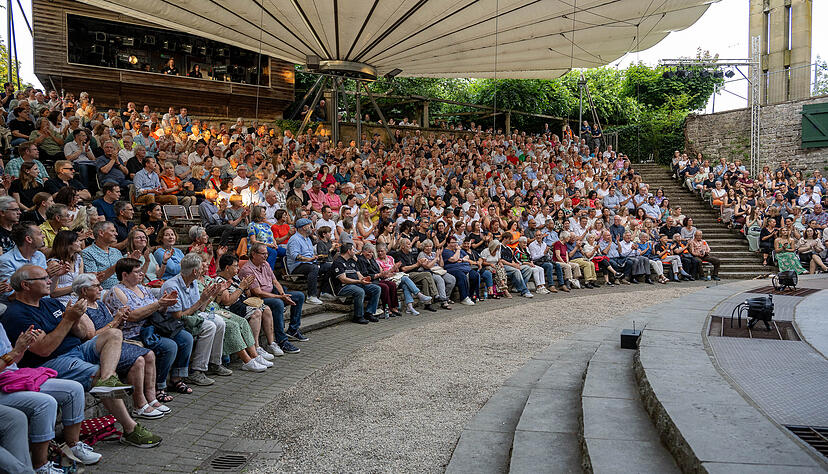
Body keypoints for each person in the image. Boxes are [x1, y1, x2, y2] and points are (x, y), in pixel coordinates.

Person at [1, 265, 162, 449]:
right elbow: (44, 349)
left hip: (78, 349)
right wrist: (68, 319)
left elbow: (80, 333)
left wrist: (76, 319)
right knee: (97, 373)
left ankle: (108, 378)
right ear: (26, 285)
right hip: (52, 361)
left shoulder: (50, 303)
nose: (49, 281)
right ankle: (130, 429)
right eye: (43, 278)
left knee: (114, 334)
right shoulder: (17, 314)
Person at [0, 322, 104, 473]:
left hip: (13, 378)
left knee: (74, 389)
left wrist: (22, 347)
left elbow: (12, 363)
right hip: (3, 387)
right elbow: (10, 357)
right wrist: (15, 351)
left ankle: (74, 446)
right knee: (45, 403)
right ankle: (40, 465)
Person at [71, 273, 168, 419]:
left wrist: (121, 321)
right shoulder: (80, 309)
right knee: (138, 360)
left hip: (114, 343)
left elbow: (115, 328)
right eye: (96, 286)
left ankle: (151, 398)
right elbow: (91, 337)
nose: (101, 288)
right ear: (84, 290)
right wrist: (115, 321)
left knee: (149, 354)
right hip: (98, 350)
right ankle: (139, 405)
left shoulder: (100, 304)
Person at [193, 253, 271, 373]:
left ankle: (255, 355)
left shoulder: (208, 279)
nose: (208, 264)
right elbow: (223, 302)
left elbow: (217, 300)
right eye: (204, 262)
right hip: (209, 311)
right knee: (233, 326)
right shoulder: (195, 283)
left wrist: (219, 292)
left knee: (243, 322)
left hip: (217, 308)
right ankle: (247, 361)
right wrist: (239, 288)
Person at [160, 253, 227, 386]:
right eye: (201, 268)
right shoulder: (172, 286)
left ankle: (214, 363)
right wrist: (201, 301)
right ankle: (196, 370)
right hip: (174, 323)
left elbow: (200, 309)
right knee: (209, 326)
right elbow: (179, 316)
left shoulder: (193, 282)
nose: (203, 270)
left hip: (192, 316)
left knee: (220, 322)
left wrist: (209, 296)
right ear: (195, 271)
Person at [238, 243, 304, 354]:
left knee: (299, 296)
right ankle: (282, 340)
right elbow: (258, 292)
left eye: (267, 254)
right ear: (253, 254)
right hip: (258, 299)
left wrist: (283, 294)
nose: (266, 256)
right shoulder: (247, 270)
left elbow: (275, 281)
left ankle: (293, 330)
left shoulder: (265, 264)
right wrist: (280, 297)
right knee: (278, 303)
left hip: (273, 293)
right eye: (263, 254)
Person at [374, 242, 433, 314]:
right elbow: (383, 275)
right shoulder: (377, 261)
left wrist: (396, 268)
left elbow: (396, 271)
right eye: (378, 251)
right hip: (388, 280)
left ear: (386, 251)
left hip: (396, 277)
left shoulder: (390, 258)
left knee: (405, 286)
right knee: (405, 278)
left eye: (382, 251)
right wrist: (392, 269)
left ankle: (410, 307)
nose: (380, 253)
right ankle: (419, 294)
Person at [331, 243, 382, 324]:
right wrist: (359, 281)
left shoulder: (352, 262)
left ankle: (369, 313)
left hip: (357, 284)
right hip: (343, 287)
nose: (355, 251)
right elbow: (343, 279)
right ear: (348, 251)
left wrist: (365, 279)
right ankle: (358, 316)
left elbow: (359, 275)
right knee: (360, 291)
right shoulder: (338, 262)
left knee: (376, 288)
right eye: (353, 250)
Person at [0, 223, 50, 296]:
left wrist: (55, 275)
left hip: (44, 300)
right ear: (29, 239)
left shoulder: (40, 255)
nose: (44, 236)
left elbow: (48, 289)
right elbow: (9, 294)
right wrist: (41, 279)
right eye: (40, 234)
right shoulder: (6, 260)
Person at [286, 218, 324, 305]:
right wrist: (309, 259)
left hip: (309, 263)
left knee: (328, 266)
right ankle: (311, 296)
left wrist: (316, 257)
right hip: (297, 266)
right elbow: (295, 256)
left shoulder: (307, 238)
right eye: (309, 226)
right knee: (313, 268)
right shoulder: (294, 239)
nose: (311, 228)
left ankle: (325, 292)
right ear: (304, 227)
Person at [81, 221, 129, 290]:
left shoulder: (116, 251)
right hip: (102, 291)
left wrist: (130, 263)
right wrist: (117, 265)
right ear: (101, 233)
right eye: (112, 231)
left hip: (123, 288)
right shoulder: (87, 253)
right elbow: (93, 280)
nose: (116, 234)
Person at [441, 235, 480, 305]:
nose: (455, 244)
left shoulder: (458, 250)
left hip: (465, 268)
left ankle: (470, 295)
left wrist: (462, 259)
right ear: (448, 243)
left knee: (475, 275)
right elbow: (454, 259)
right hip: (453, 269)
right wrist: (458, 251)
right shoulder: (446, 251)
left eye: (456, 242)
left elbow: (467, 256)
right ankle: (464, 298)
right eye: (453, 243)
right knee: (461, 276)